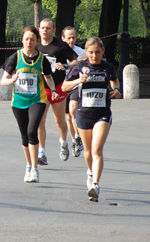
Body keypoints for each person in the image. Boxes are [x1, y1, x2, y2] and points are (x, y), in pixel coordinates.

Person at [63, 37, 121, 202]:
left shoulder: (107, 67)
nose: (94, 55)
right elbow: (64, 87)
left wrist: (116, 89)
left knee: (97, 149)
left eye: (97, 52)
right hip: (83, 113)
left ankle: (95, 184)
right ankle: (90, 172)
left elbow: (114, 79)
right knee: (88, 151)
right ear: (86, 53)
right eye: (91, 52)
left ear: (102, 51)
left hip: (102, 113)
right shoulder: (80, 67)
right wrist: (78, 81)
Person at [0, 26, 59, 183]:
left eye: (32, 39)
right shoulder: (16, 57)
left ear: (37, 41)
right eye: (26, 39)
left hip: (37, 100)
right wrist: (11, 80)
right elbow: (3, 80)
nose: (29, 42)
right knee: (24, 135)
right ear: (22, 40)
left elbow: (48, 76)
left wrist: (53, 89)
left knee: (33, 130)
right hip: (19, 102)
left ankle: (35, 169)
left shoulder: (41, 59)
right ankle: (28, 166)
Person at [36, 19, 77, 165]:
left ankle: (63, 143)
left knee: (59, 121)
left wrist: (65, 65)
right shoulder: (36, 45)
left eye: (48, 28)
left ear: (53, 31)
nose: (45, 30)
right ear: (39, 29)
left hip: (58, 87)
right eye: (42, 28)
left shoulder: (61, 46)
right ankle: (41, 152)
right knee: (40, 121)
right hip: (41, 88)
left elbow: (74, 60)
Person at [61, 26, 85, 158]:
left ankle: (78, 137)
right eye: (68, 38)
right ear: (63, 39)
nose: (71, 40)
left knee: (73, 110)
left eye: (73, 38)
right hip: (63, 86)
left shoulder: (80, 52)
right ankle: (74, 139)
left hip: (75, 85)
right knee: (68, 117)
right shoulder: (58, 51)